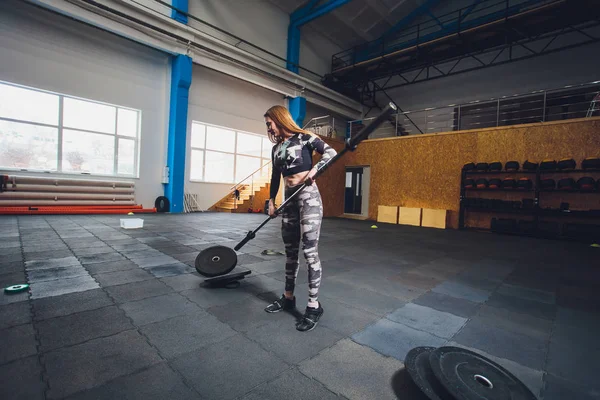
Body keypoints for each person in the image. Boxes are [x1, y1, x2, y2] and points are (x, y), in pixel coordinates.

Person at [263, 105, 337, 332]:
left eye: (269, 123)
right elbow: (276, 177)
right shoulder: (276, 149)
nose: (269, 128)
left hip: (309, 199)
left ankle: (314, 306)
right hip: (288, 202)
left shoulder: (305, 138)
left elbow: (331, 153)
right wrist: (271, 202)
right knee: (290, 253)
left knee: (309, 251)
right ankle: (288, 298)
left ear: (278, 119)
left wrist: (314, 171)